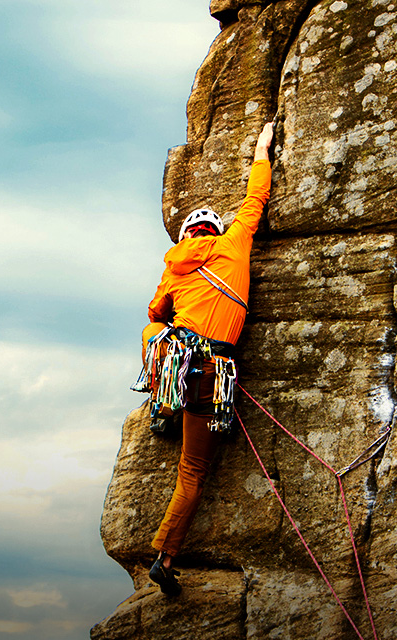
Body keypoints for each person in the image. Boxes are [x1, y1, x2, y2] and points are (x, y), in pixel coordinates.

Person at [136, 121, 274, 596]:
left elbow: (155, 313)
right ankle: (165, 556)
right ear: (215, 230)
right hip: (215, 378)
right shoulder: (234, 244)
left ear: (186, 234)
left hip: (176, 366)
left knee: (154, 333)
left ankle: (161, 405)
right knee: (193, 472)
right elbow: (256, 198)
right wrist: (261, 147)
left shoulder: (173, 264)